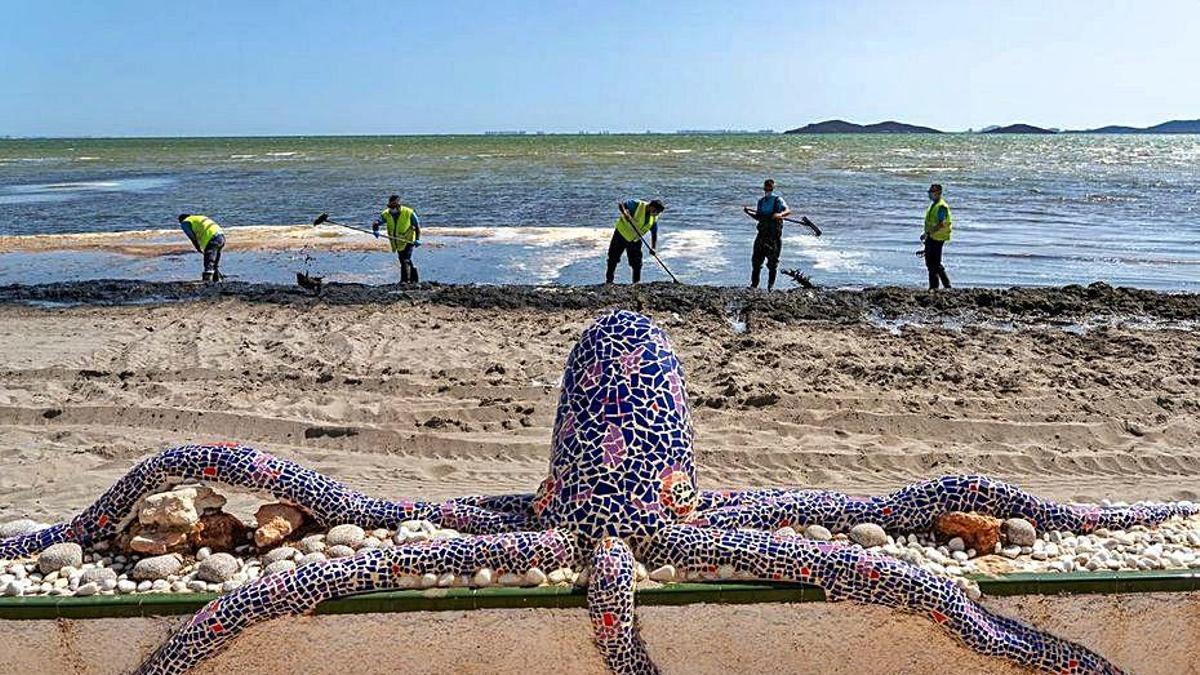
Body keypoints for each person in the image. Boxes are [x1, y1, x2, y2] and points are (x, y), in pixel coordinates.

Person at [742, 178, 791, 290]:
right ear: (764, 188)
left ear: (772, 188)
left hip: (774, 237)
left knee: (772, 264)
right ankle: (754, 285)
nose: (767, 190)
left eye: (770, 188)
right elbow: (758, 217)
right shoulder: (761, 202)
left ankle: (770, 287)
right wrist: (749, 213)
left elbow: (788, 211)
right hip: (761, 235)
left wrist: (780, 215)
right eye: (766, 188)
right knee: (756, 262)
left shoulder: (778, 200)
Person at [606, 198, 665, 284]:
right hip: (621, 235)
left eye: (658, 212)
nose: (657, 214)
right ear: (651, 206)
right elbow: (621, 204)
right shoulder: (637, 205)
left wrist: (653, 248)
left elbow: (654, 233)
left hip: (635, 240)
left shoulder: (653, 218)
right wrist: (625, 212)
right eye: (656, 211)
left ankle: (636, 283)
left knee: (637, 263)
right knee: (613, 258)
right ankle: (609, 281)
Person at [372, 195, 421, 283]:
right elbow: (377, 222)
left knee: (405, 259)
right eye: (390, 206)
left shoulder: (409, 212)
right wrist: (375, 229)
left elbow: (417, 227)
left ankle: (405, 281)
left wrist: (417, 239)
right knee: (403, 258)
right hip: (397, 241)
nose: (392, 209)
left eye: (394, 207)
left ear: (398, 205)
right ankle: (414, 278)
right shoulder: (386, 214)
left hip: (408, 239)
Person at [922, 183, 952, 290]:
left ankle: (938, 286)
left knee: (934, 264)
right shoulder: (934, 205)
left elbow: (941, 224)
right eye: (929, 192)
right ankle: (938, 286)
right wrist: (926, 234)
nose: (930, 194)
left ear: (938, 193)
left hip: (937, 238)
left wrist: (928, 233)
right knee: (931, 263)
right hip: (931, 237)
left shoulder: (941, 206)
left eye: (932, 192)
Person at [177, 214, 225, 282]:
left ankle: (207, 280)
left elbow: (192, 237)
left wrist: (197, 247)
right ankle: (216, 279)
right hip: (221, 236)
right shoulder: (200, 217)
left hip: (211, 238)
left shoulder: (185, 222)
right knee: (215, 260)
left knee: (209, 260)